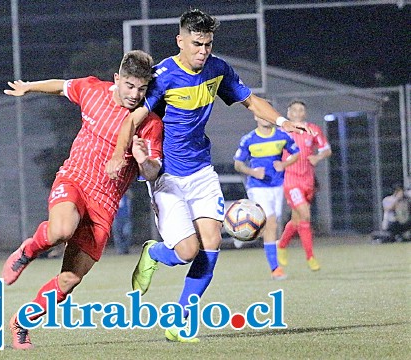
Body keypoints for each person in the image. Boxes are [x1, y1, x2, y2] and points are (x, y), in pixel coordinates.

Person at [105, 8, 308, 343]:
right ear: (180, 41)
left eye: (208, 44)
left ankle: (181, 320)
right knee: (186, 251)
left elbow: (252, 102)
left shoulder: (217, 69)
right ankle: (154, 253)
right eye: (197, 44)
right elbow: (131, 119)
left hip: (201, 172)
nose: (203, 51)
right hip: (167, 177)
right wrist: (118, 155)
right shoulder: (163, 75)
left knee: (212, 244)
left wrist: (284, 123)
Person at [1, 50, 163, 350]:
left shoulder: (150, 122)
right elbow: (62, 85)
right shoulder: (93, 90)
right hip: (74, 180)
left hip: (104, 205)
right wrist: (28, 86)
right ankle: (30, 248)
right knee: (61, 229)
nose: (134, 94)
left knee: (69, 281)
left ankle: (21, 323)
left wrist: (142, 160)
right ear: (117, 79)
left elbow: (153, 171)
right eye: (129, 86)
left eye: (141, 89)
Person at [234, 111, 300, 280]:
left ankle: (246, 232)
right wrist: (252, 172)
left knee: (272, 224)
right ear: (256, 117)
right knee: (270, 223)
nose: (265, 117)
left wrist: (284, 164)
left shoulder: (281, 136)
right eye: (261, 114)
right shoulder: (248, 139)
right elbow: (238, 164)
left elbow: (297, 153)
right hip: (257, 187)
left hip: (277, 186)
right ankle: (275, 269)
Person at [277, 100, 332, 271]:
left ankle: (282, 244)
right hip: (291, 180)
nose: (298, 112)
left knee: (297, 219)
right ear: (289, 113)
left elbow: (327, 149)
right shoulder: (282, 131)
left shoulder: (313, 130)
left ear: (304, 113)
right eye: (295, 109)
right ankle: (310, 257)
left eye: (301, 110)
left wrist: (318, 157)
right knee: (306, 216)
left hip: (308, 181)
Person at [112, 189, 133, 254]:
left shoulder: (126, 193)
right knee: (117, 234)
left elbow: (131, 196)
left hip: (125, 216)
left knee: (126, 233)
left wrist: (126, 190)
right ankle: (120, 250)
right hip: (116, 216)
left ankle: (126, 248)